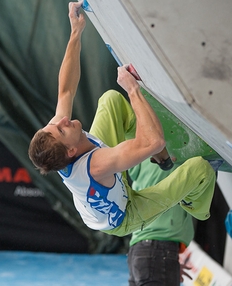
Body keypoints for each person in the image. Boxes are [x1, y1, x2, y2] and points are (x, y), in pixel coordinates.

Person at [28, 1, 216, 237]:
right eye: (62, 129)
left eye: (55, 125)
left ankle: (161, 159)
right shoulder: (96, 166)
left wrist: (76, 31)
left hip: (109, 178)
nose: (63, 121)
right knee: (201, 169)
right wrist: (132, 89)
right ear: (71, 151)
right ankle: (195, 205)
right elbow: (153, 142)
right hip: (125, 215)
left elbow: (65, 90)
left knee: (110, 100)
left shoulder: (60, 137)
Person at [127, 158, 193, 285]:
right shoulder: (169, 156)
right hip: (158, 250)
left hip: (139, 250)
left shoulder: (139, 160)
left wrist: (165, 265)